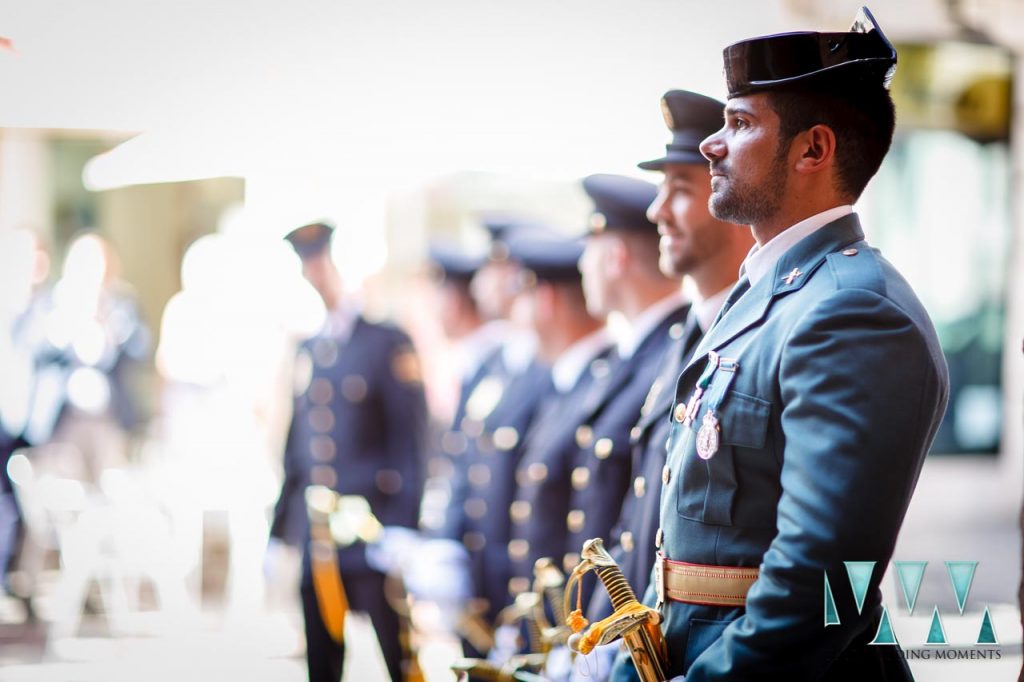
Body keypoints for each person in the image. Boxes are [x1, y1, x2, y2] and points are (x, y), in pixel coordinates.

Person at [611, 8, 949, 681]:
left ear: (813, 150)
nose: (711, 144)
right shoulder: (769, 298)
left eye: (738, 124)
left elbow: (820, 582)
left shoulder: (852, 309)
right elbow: (684, 553)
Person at [584, 91, 753, 634]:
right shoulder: (686, 337)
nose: (657, 210)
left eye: (679, 189)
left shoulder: (759, 330)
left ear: (728, 195)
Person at [269, 221, 428, 682]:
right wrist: (281, 532)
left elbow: (410, 440)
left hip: (373, 531)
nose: (316, 273)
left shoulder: (386, 341)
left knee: (399, 660)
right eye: (307, 263)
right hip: (317, 538)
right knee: (321, 664)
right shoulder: (311, 347)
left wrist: (405, 525)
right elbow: (298, 450)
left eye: (322, 260)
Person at [562, 174, 688, 586]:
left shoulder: (679, 352)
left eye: (588, 254)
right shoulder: (625, 356)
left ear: (615, 257)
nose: (582, 268)